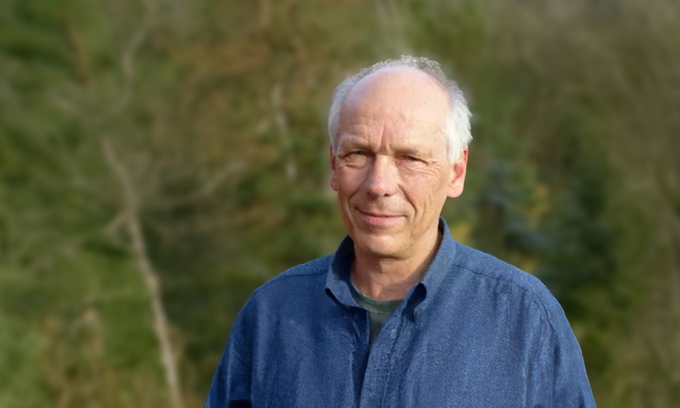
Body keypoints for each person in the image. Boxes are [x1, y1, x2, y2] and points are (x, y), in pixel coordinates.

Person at [204, 56, 596, 407]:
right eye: (358, 153)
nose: (379, 185)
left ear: (456, 171)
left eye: (410, 158)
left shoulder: (526, 322)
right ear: (333, 165)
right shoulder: (270, 316)